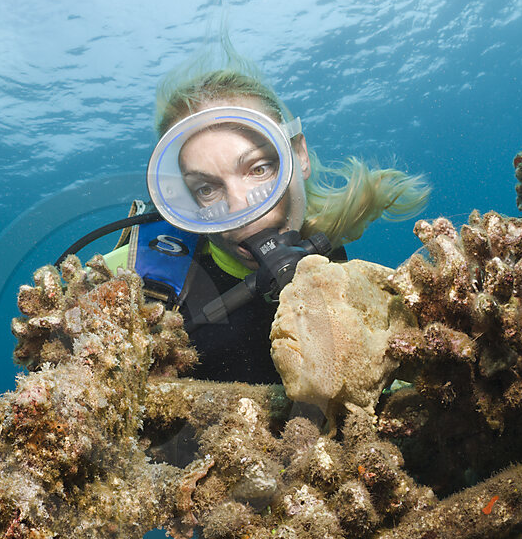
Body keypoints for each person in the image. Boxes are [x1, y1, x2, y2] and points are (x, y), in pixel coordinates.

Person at [106, 40, 430, 384]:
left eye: (259, 168)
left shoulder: (339, 267)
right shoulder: (132, 277)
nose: (241, 208)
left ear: (299, 155)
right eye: (206, 188)